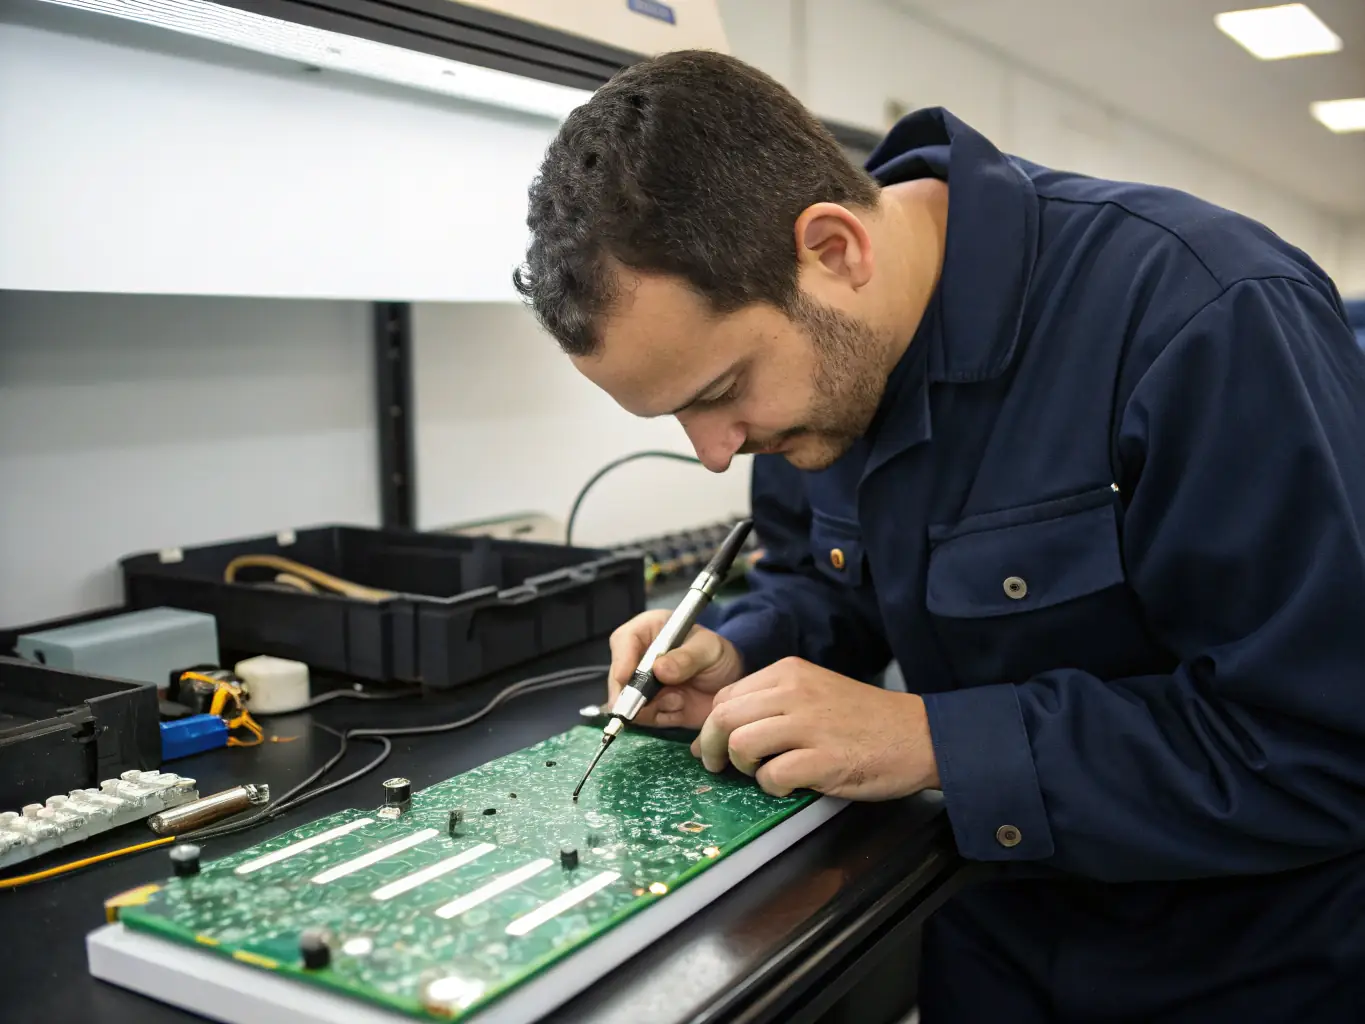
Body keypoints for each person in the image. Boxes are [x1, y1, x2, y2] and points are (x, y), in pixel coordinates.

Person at [513, 49, 1365, 1023]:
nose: (715, 452)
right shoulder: (813, 371)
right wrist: (742, 646)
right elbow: (830, 586)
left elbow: (1320, 745)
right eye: (676, 416)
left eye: (718, 393)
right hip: (991, 949)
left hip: (1236, 975)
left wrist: (937, 743)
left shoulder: (1207, 315)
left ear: (834, 249)